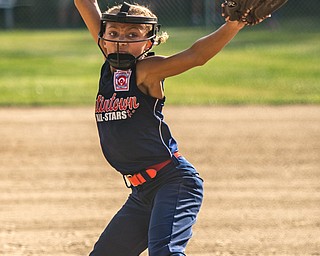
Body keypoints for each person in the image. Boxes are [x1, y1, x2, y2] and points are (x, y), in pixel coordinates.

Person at [74, 1, 264, 255]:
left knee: (165, 252)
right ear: (103, 40)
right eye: (114, 34)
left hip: (173, 182)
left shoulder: (146, 71)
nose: (121, 41)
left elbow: (196, 56)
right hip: (142, 194)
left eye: (132, 35)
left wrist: (234, 25)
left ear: (148, 43)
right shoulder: (110, 68)